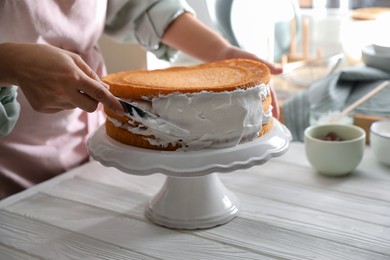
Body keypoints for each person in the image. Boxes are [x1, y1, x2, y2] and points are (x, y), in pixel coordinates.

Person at [0, 0, 281, 199]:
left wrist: (220, 51)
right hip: (10, 165)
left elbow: (139, 5)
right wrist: (8, 64)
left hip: (92, 141)